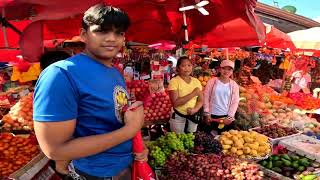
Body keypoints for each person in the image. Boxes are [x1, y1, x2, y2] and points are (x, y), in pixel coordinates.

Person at [33, 4, 147, 180]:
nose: (111, 38)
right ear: (84, 34)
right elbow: (55, 149)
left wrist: (136, 146)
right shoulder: (61, 74)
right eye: (102, 31)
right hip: (95, 174)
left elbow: (112, 121)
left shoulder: (115, 72)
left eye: (119, 33)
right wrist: (130, 130)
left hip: (126, 166)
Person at [203, 60, 240, 135]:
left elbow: (235, 102)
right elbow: (206, 97)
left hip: (225, 117)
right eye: (224, 68)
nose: (226, 71)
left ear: (232, 71)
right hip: (211, 115)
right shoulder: (212, 81)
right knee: (209, 139)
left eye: (229, 69)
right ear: (220, 69)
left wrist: (230, 116)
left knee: (224, 140)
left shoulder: (234, 85)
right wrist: (207, 113)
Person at [168, 56, 203, 133]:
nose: (187, 68)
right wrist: (193, 93)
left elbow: (201, 100)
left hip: (193, 116)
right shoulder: (174, 81)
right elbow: (176, 103)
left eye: (189, 65)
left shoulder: (196, 81)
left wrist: (195, 109)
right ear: (178, 68)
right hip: (178, 116)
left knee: (191, 138)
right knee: (178, 140)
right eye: (183, 66)